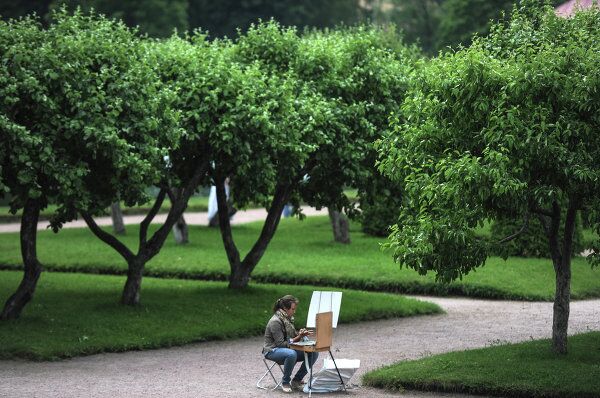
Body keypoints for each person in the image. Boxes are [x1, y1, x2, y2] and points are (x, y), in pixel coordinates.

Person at [262, 295, 318, 393]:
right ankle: (285, 382)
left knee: (313, 352)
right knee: (291, 354)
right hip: (272, 350)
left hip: (286, 349)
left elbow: (291, 338)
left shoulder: (286, 319)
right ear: (284, 308)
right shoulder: (275, 321)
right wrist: (299, 337)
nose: (294, 311)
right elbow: (281, 344)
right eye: (293, 309)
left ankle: (296, 380)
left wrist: (300, 333)